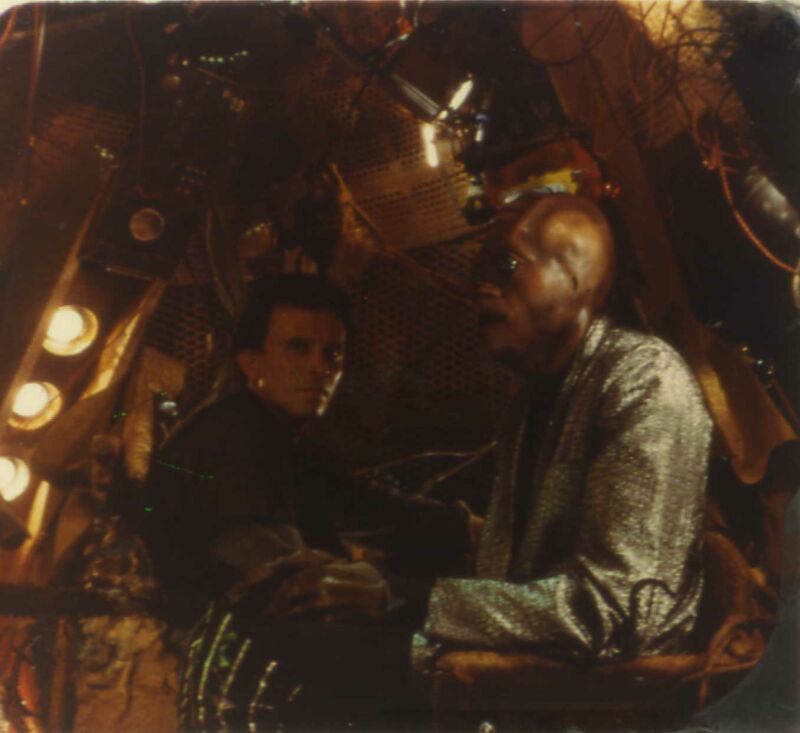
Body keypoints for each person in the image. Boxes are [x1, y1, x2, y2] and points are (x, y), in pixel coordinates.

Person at [132, 273, 473, 730]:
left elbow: (379, 511)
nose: (319, 367)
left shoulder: (288, 443)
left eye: (332, 353)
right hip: (231, 691)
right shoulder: (233, 440)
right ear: (251, 361)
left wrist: (470, 528)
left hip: (266, 673)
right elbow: (291, 590)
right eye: (298, 348)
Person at [413, 189, 713, 670]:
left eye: (506, 265)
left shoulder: (646, 380)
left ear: (579, 278)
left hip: (618, 698)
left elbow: (619, 612)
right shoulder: (531, 400)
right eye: (478, 270)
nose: (482, 287)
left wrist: (415, 604)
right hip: (541, 683)